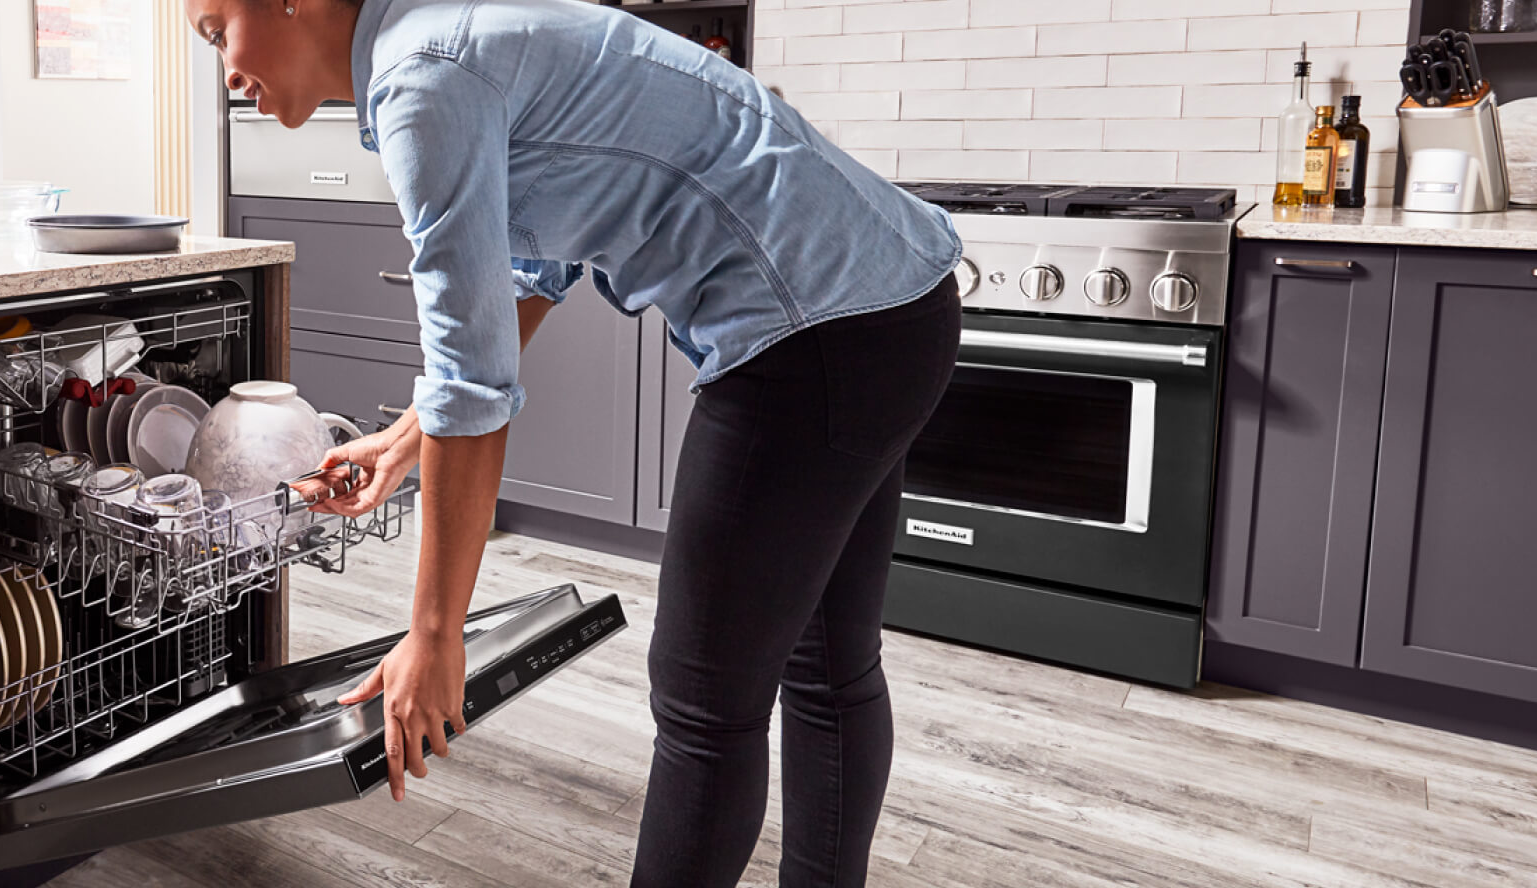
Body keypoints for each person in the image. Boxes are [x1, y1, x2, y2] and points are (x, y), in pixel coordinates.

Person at [186, 0, 964, 884]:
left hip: (811, 337)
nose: (225, 70)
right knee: (827, 667)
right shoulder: (450, 35)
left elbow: (474, 389)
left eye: (218, 33)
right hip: (893, 304)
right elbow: (528, 265)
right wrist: (404, 439)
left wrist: (435, 637)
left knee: (708, 706)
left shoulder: (423, 78)